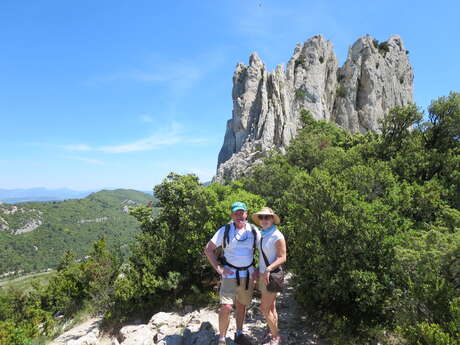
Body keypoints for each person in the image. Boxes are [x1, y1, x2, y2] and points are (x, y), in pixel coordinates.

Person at [204, 201, 259, 345]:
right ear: (232, 215)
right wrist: (218, 268)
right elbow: (208, 249)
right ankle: (222, 339)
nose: (239, 215)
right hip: (229, 274)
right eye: (236, 213)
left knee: (242, 305)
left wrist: (258, 270)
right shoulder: (225, 230)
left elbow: (264, 250)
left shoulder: (253, 230)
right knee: (226, 306)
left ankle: (239, 333)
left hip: (247, 275)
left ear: (246, 214)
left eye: (242, 212)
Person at [252, 207, 287, 345]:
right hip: (262, 274)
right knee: (271, 307)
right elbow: (263, 255)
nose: (264, 220)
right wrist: (257, 268)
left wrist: (268, 269)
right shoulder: (263, 233)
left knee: (264, 309)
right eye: (261, 217)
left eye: (267, 217)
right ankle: (271, 331)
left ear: (272, 219)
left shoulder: (277, 235)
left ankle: (276, 336)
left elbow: (282, 257)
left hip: (271, 276)